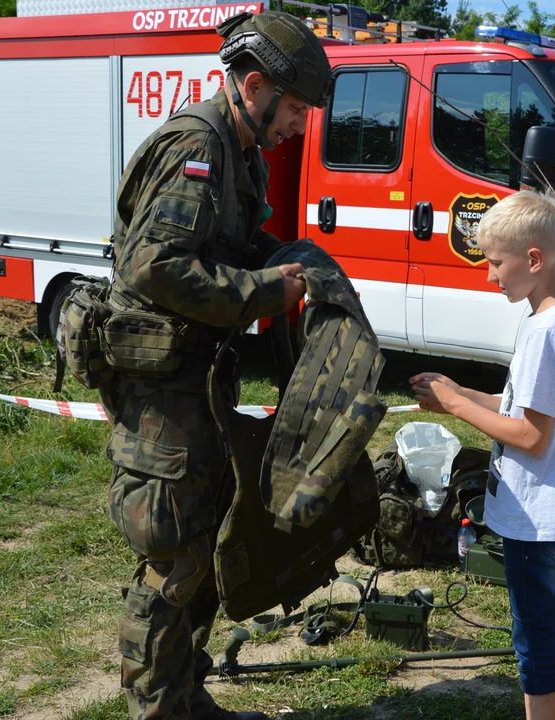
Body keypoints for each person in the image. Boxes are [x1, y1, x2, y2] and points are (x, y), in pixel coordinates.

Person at [102, 12, 329, 720]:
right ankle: (158, 709)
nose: (297, 124)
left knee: (203, 538)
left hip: (197, 379)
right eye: (293, 108)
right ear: (254, 85)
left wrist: (283, 256)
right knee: (173, 552)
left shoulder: (242, 149)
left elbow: (225, 241)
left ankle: (184, 696)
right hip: (160, 389)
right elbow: (153, 266)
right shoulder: (198, 143)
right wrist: (267, 290)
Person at [410, 190, 555, 720]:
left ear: (534, 259)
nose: (490, 276)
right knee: (541, 621)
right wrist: (460, 392)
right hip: (529, 511)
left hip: (533, 517)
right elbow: (517, 407)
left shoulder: (547, 334)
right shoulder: (547, 321)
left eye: (495, 262)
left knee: (531, 634)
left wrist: (456, 409)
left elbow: (530, 436)